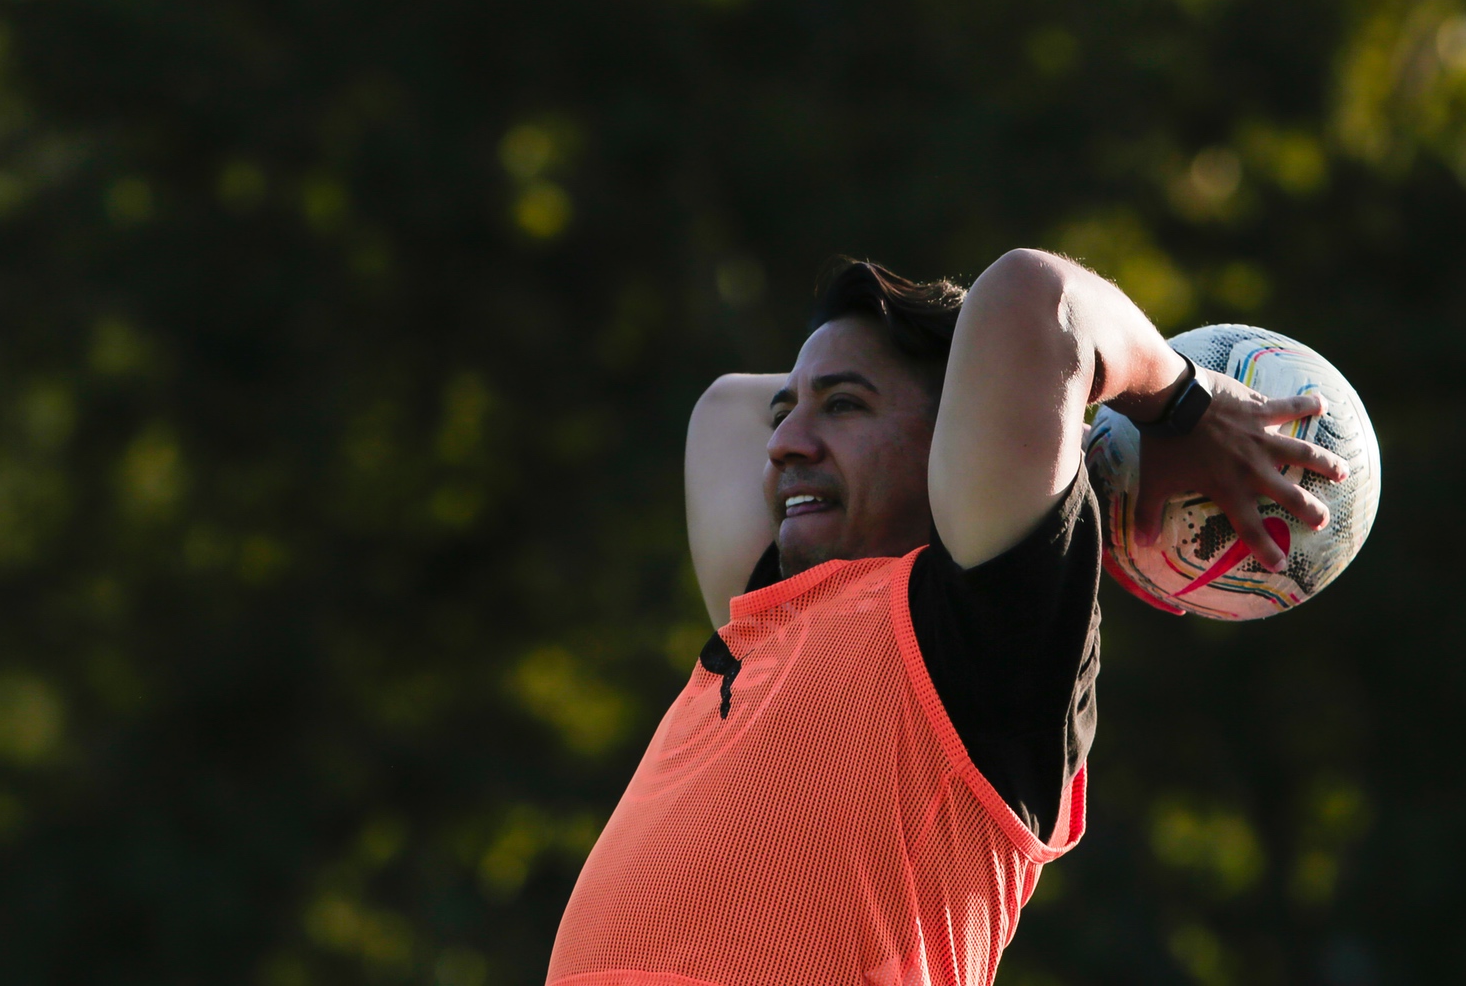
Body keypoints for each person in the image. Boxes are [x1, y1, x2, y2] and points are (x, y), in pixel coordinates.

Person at [545, 249, 1347, 986]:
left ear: (954, 441)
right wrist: (844, 375)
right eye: (792, 410)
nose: (785, 442)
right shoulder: (770, 618)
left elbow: (1034, 299)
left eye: (844, 407)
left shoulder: (977, 638)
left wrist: (1182, 402)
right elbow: (728, 409)